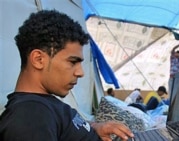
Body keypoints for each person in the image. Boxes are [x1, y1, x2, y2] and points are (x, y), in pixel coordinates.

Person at [0, 10, 134, 141]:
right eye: (72, 62)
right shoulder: (29, 117)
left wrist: (94, 127)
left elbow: (64, 128)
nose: (80, 73)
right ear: (38, 59)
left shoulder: (42, 105)